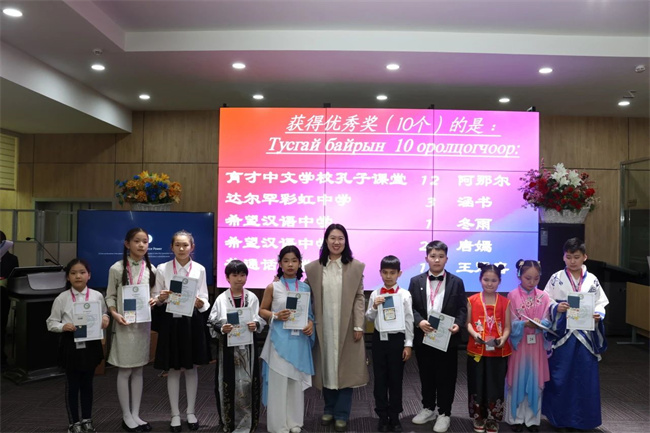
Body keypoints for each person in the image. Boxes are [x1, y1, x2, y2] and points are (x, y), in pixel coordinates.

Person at [304, 223, 368, 433]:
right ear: (326, 241)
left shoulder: (356, 267)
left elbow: (359, 297)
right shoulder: (313, 268)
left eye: (341, 238)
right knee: (326, 369)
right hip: (323, 326)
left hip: (347, 326)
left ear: (346, 241)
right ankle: (328, 408)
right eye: (332, 238)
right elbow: (304, 294)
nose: (336, 242)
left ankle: (342, 413)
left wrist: (359, 324)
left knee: (346, 369)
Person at [542, 237, 609, 431]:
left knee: (585, 377)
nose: (572, 261)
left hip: (586, 335)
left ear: (585, 257)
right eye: (569, 257)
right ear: (563, 257)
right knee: (561, 375)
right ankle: (559, 419)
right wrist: (556, 307)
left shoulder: (592, 279)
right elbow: (546, 300)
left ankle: (583, 421)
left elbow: (601, 302)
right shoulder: (556, 278)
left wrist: (599, 314)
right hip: (563, 334)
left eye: (576, 257)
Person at [150, 230, 210, 432]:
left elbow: (205, 298)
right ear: (172, 247)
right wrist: (161, 298)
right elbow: (155, 297)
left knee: (192, 369)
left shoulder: (199, 269)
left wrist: (201, 303)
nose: (181, 248)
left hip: (192, 322)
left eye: (185, 245)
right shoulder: (163, 268)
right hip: (171, 322)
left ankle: (191, 412)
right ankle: (175, 414)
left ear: (192, 247)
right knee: (173, 369)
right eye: (177, 245)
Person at [409, 240, 467, 433]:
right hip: (424, 336)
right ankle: (428, 408)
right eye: (433, 256)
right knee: (426, 375)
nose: (436, 260)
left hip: (447, 338)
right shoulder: (416, 281)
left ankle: (444, 413)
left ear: (446, 259)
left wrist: (458, 324)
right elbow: (411, 308)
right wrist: (419, 321)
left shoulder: (456, 282)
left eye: (441, 256)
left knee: (446, 377)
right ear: (426, 258)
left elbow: (462, 308)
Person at [46, 258, 110, 433]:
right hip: (71, 344)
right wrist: (63, 326)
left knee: (88, 384)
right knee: (73, 385)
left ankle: (87, 419)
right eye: (73, 273)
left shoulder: (97, 295)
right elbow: (51, 322)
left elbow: (104, 313)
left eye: (82, 272)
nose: (78, 276)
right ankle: (74, 422)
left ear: (89, 275)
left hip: (91, 343)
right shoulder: (62, 298)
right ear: (68, 277)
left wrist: (105, 318)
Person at [259, 245, 315, 433]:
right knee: (279, 382)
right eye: (286, 261)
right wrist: (275, 315)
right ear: (280, 264)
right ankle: (278, 425)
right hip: (278, 341)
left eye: (294, 261)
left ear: (299, 263)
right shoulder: (273, 287)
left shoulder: (305, 287)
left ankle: (294, 422)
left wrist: (310, 324)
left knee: (295, 381)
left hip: (298, 341)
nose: (290, 264)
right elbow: (262, 310)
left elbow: (309, 315)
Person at [106, 228, 156, 432]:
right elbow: (110, 296)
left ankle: (135, 414)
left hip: (142, 325)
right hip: (124, 325)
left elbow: (153, 294)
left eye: (145, 241)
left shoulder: (151, 269)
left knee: (138, 369)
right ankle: (126, 415)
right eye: (137, 241)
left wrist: (154, 300)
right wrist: (114, 314)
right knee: (125, 369)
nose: (141, 245)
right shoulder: (117, 268)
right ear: (127, 244)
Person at [208, 259, 265, 433]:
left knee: (249, 384)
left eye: (242, 275)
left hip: (248, 348)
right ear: (227, 277)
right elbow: (211, 322)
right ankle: (229, 422)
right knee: (228, 384)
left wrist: (255, 324)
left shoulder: (252, 297)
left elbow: (259, 319)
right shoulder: (221, 299)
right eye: (234, 275)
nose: (239, 279)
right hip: (228, 349)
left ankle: (249, 423)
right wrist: (222, 328)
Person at [365, 255, 414, 432]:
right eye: (385, 272)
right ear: (380, 273)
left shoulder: (405, 294)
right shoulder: (375, 293)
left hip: (397, 340)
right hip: (379, 339)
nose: (388, 276)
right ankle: (382, 416)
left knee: (396, 379)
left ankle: (394, 416)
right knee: (379, 379)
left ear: (399, 274)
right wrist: (374, 307)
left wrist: (408, 344)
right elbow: (369, 318)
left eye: (392, 273)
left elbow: (409, 320)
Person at [504, 260, 552, 433]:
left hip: (537, 344)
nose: (532, 282)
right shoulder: (512, 295)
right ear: (519, 276)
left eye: (536, 278)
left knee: (535, 380)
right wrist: (523, 324)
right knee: (517, 379)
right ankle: (515, 418)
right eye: (527, 278)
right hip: (519, 344)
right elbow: (509, 322)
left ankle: (532, 419)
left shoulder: (544, 296)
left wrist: (541, 323)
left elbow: (548, 320)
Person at [466, 263, 512, 433]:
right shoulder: (472, 300)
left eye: (494, 280)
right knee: (477, 383)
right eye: (486, 279)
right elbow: (468, 323)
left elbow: (507, 327)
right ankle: (479, 417)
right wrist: (474, 334)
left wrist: (503, 338)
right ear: (480, 279)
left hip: (498, 350)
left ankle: (493, 418)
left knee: (496, 384)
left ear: (499, 281)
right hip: (477, 348)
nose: (489, 283)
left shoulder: (505, 302)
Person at [1, 230, 19, 368]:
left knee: (1, 327)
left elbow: (15, 278)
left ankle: (2, 359)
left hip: (3, 297)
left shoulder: (12, 259)